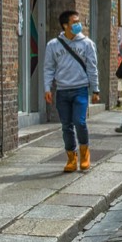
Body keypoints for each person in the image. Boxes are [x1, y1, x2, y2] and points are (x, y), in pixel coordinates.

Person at [44, 10, 100, 172]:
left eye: (78, 21)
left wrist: (95, 89)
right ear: (65, 25)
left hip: (80, 89)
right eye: (74, 22)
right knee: (66, 126)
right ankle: (71, 157)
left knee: (80, 122)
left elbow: (92, 67)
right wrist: (47, 88)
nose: (78, 25)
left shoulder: (87, 44)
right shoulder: (53, 45)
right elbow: (48, 68)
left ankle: (85, 153)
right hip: (62, 91)